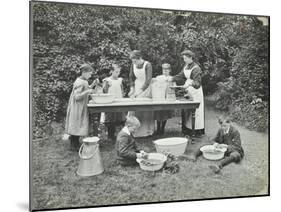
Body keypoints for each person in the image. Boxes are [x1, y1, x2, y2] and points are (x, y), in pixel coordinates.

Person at [168, 50, 205, 137]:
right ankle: (188, 130)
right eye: (183, 58)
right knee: (187, 111)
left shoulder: (196, 68)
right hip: (188, 90)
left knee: (196, 112)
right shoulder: (186, 66)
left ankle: (196, 132)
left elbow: (197, 83)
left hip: (195, 92)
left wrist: (190, 83)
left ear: (190, 58)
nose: (184, 60)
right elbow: (181, 75)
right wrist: (171, 78)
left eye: (185, 58)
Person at [64, 64, 97, 151]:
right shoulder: (79, 82)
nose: (90, 75)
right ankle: (73, 145)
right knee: (76, 123)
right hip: (77, 107)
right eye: (89, 73)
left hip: (81, 107)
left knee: (79, 123)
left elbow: (85, 88)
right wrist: (88, 91)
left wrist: (92, 85)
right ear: (84, 72)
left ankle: (76, 144)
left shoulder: (84, 81)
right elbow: (77, 97)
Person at [128, 50, 154, 137]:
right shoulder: (133, 64)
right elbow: (131, 77)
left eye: (135, 61)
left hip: (146, 88)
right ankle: (135, 131)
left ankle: (146, 132)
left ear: (140, 58)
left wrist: (139, 91)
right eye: (133, 61)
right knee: (135, 109)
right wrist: (132, 89)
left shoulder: (148, 65)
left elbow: (148, 80)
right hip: (137, 85)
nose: (134, 63)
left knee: (145, 109)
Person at [101, 63, 126, 140]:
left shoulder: (120, 80)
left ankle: (121, 135)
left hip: (119, 101)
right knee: (110, 119)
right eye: (116, 72)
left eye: (119, 72)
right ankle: (110, 135)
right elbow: (104, 91)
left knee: (120, 118)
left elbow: (121, 90)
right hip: (110, 102)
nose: (117, 73)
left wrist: (122, 96)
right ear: (111, 71)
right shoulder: (107, 80)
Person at [154, 63, 174, 135]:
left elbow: (174, 87)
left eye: (167, 69)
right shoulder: (159, 77)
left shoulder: (171, 78)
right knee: (159, 112)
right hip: (160, 97)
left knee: (165, 112)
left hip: (167, 97)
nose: (165, 71)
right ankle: (158, 127)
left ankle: (163, 127)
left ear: (169, 70)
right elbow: (155, 86)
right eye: (164, 69)